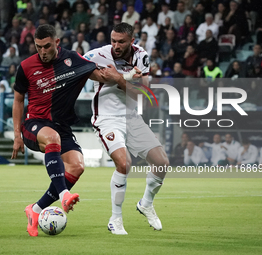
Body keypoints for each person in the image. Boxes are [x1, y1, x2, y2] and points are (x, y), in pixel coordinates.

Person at [11, 24, 140, 237]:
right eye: (38, 47)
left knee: (77, 166)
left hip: (61, 126)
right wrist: (17, 134)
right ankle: (63, 195)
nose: (42, 52)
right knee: (51, 138)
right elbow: (18, 99)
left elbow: (100, 75)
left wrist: (125, 78)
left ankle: (34, 210)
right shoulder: (26, 67)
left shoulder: (73, 60)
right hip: (34, 124)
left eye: (47, 46)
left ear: (57, 43)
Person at [83, 23, 169, 235]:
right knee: (124, 163)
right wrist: (111, 77)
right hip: (107, 118)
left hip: (132, 118)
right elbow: (81, 68)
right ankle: (115, 218)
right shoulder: (97, 54)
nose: (116, 45)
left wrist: (120, 80)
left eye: (121, 41)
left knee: (161, 163)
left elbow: (146, 98)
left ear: (132, 40)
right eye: (113, 40)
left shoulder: (142, 57)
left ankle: (146, 203)